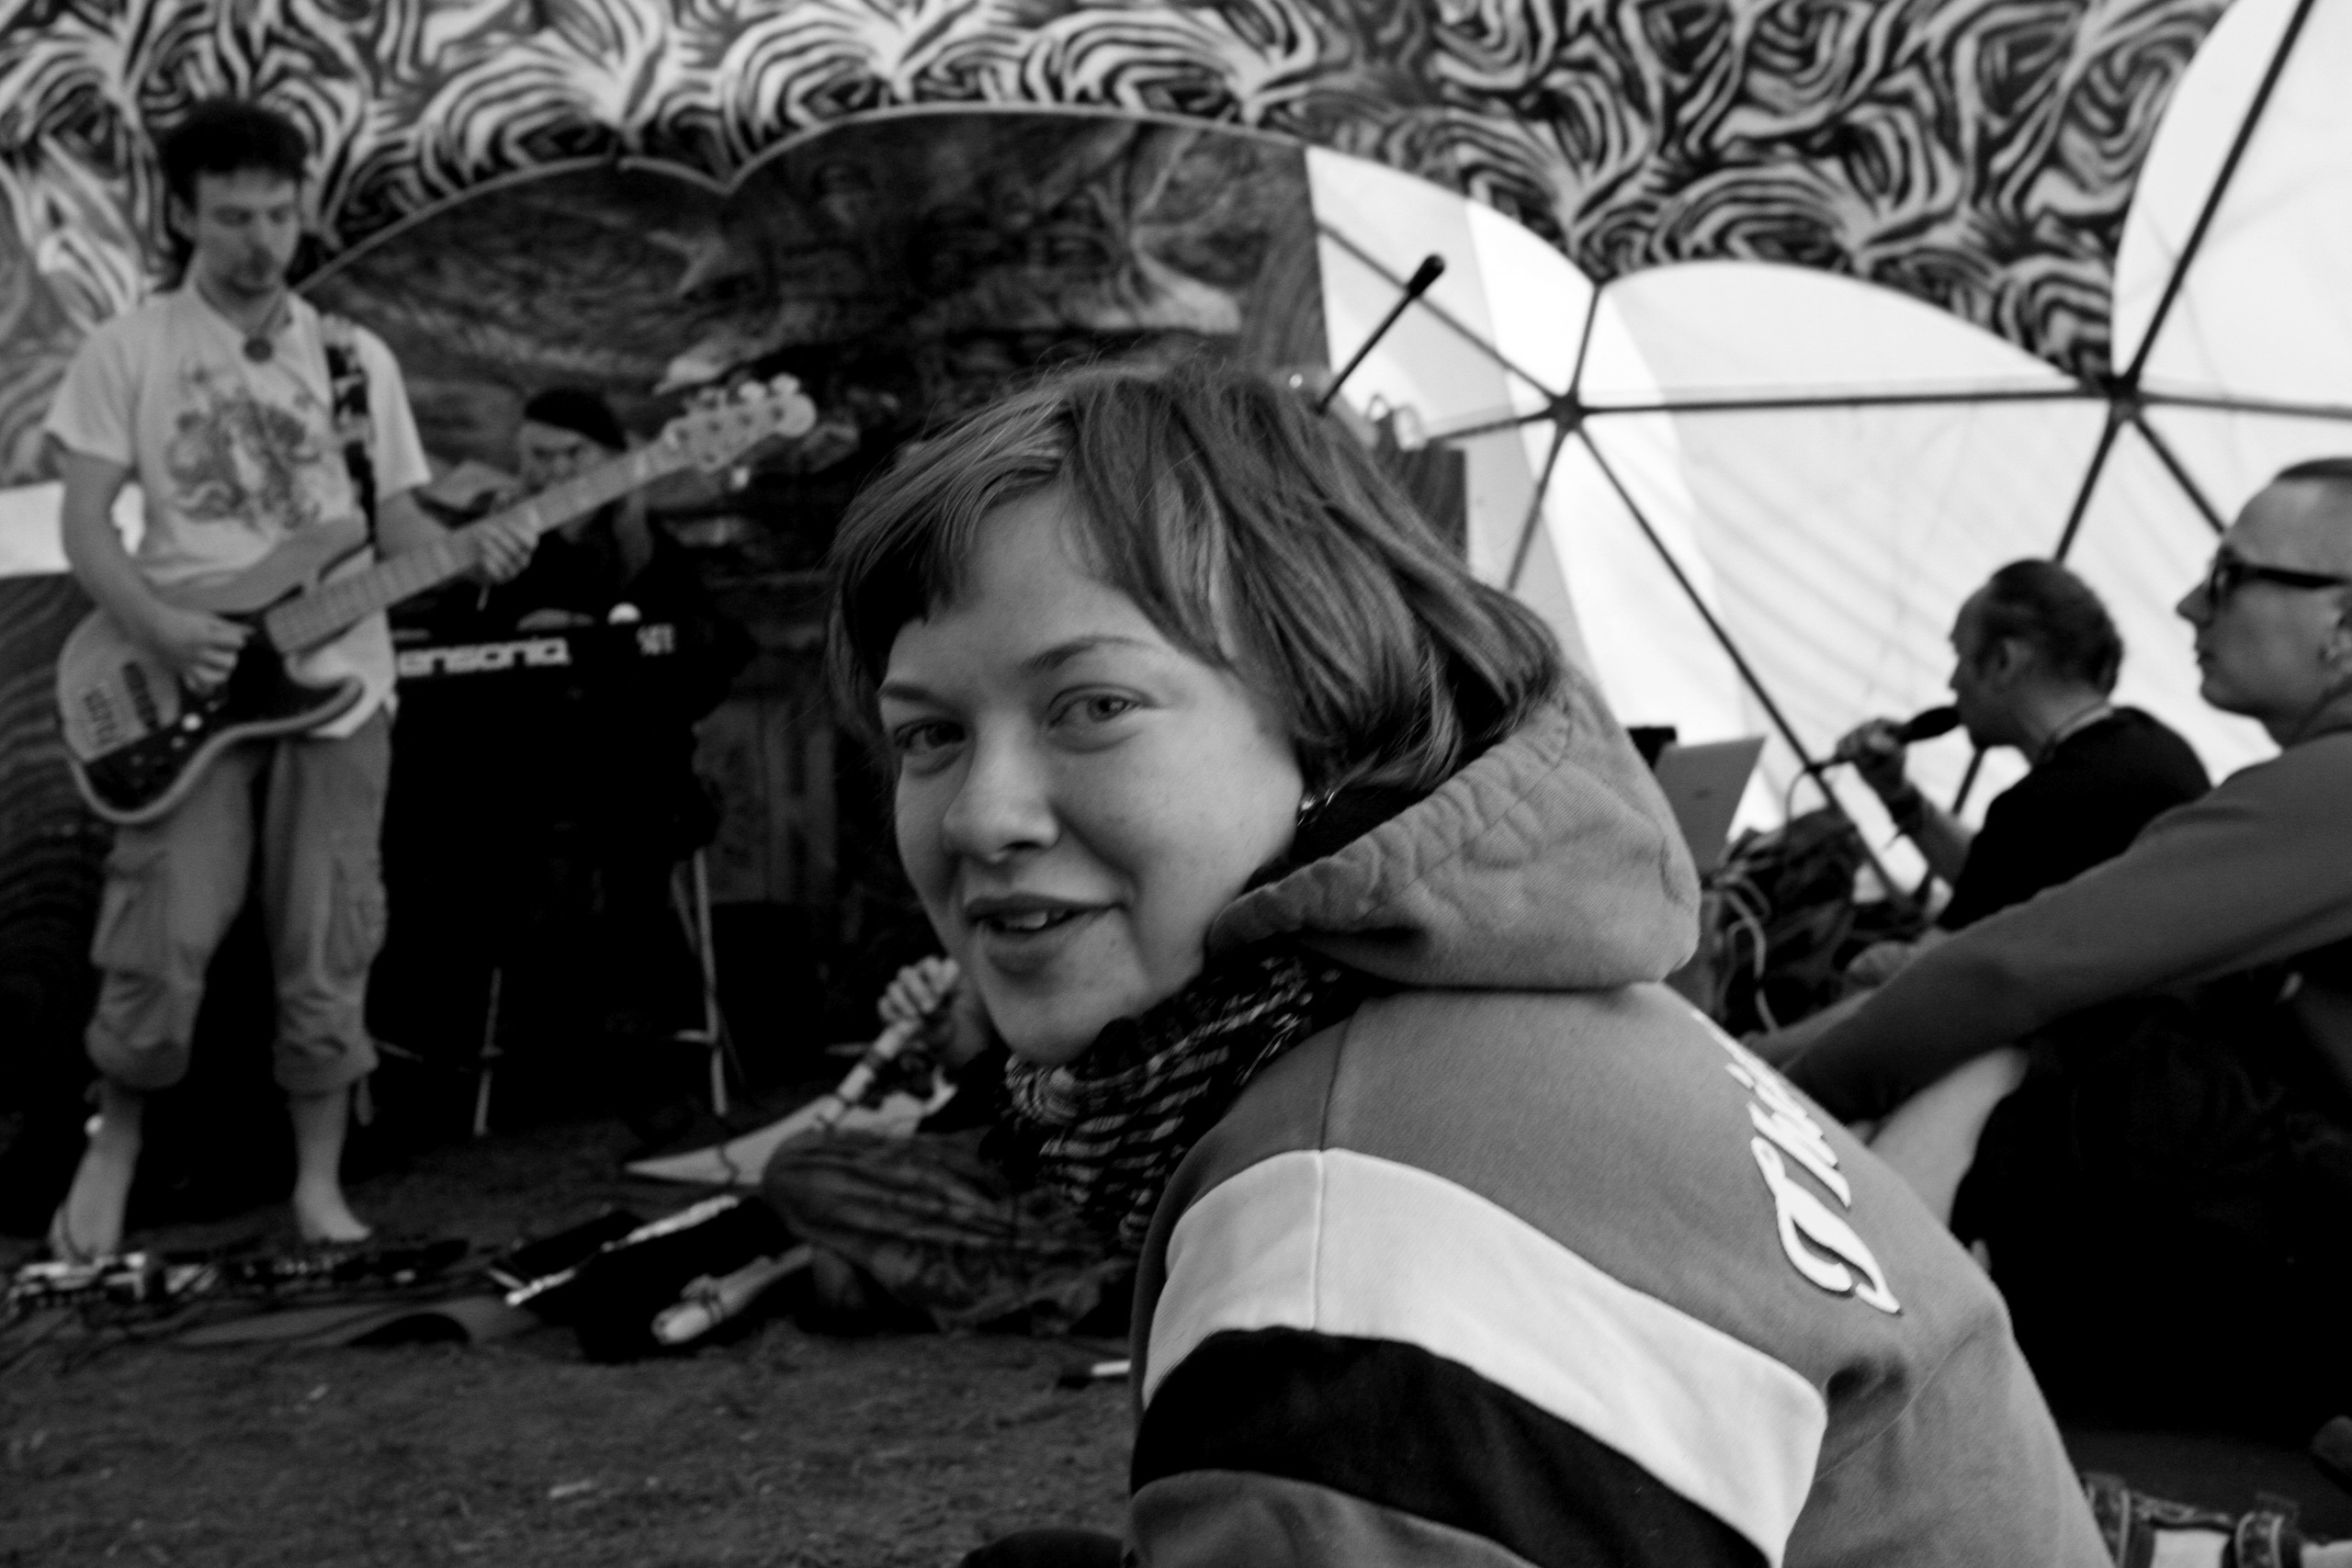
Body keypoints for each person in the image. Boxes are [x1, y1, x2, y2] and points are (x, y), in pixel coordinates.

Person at [828, 359, 2105, 1563]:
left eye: (1094, 706)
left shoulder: (1352, 1230)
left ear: (1330, 719)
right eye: (929, 734)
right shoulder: (1526, 1018)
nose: (982, 815)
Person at [43, 98, 535, 1258]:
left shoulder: (355, 359)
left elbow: (395, 521)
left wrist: (473, 551)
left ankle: (318, 1185)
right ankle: (112, 1149)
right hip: (185, 673)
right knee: (159, 931)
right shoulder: (129, 349)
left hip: (341, 686)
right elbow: (84, 523)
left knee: (330, 936)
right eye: (232, 217)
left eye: (277, 213)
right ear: (182, 215)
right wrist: (163, 627)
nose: (261, 239)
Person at [1781, 457, 2352, 1438]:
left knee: (2047, 1031)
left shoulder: (2330, 791)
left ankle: (1837, 1353)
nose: (2187, 604)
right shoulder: (2169, 758)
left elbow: (2010, 966)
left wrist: (1769, 1092)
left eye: (2226, 577)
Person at [1837, 559, 2208, 963]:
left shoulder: (2044, 805)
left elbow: (1928, 980)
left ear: (2004, 662)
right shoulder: (2157, 747)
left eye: (1960, 655)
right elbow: (2000, 879)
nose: (1952, 682)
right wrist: (1897, 794)